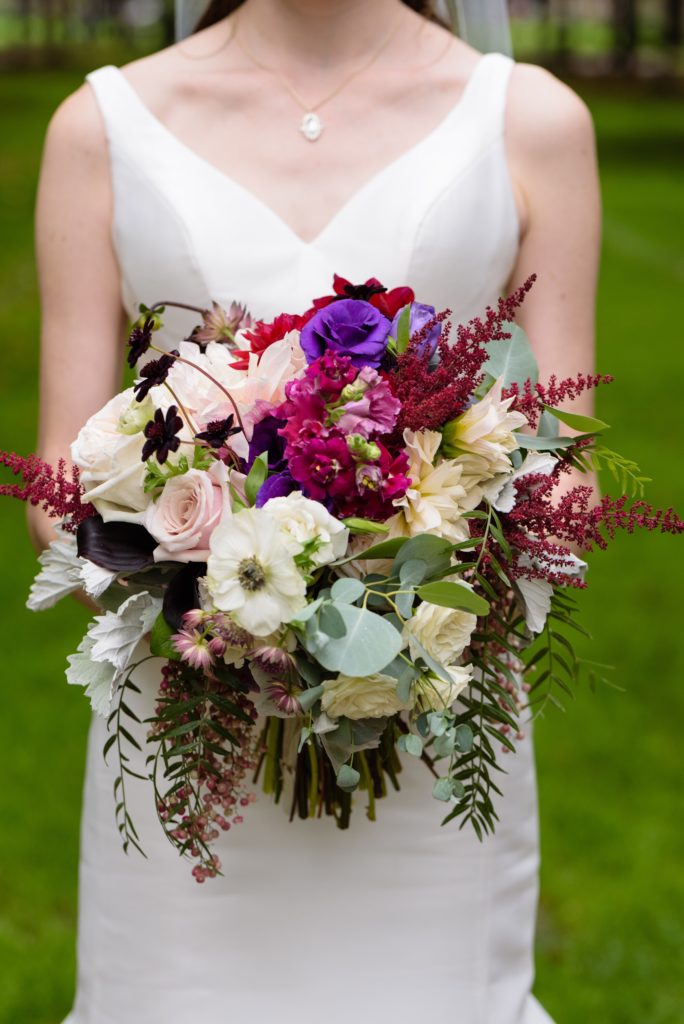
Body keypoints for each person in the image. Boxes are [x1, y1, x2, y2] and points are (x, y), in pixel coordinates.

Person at [30, 1, 601, 1020]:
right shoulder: (101, 128)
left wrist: (414, 538)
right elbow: (58, 481)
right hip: (190, 730)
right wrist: (202, 567)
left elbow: (567, 461)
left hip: (435, 734)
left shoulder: (531, 122)